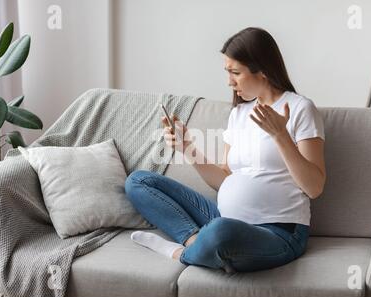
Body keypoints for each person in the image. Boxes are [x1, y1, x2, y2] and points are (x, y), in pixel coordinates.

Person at [125, 27, 326, 273]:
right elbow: (224, 178)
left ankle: (181, 252)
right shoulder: (239, 113)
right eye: (227, 72)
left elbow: (314, 187)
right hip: (223, 218)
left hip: (278, 232)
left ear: (261, 69)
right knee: (139, 181)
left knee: (221, 232)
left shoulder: (300, 108)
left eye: (235, 72)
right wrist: (187, 148)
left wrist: (280, 136)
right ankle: (195, 242)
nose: (228, 82)